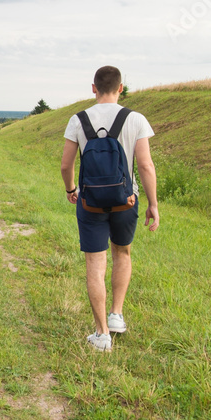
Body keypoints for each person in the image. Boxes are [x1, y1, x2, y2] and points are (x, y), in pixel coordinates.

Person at [60, 66, 159, 352]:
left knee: (95, 263)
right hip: (126, 200)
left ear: (93, 88)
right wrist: (152, 204)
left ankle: (101, 334)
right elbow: (145, 165)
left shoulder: (78, 120)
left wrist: (71, 190)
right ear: (121, 88)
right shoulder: (135, 119)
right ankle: (116, 315)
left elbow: (67, 165)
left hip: (90, 202)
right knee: (122, 253)